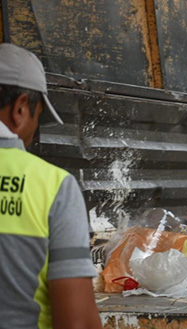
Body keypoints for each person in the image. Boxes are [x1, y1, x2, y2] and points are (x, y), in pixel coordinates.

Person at [0, 43, 102, 329]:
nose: (34, 131)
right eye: (38, 115)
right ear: (20, 107)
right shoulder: (53, 186)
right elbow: (76, 322)